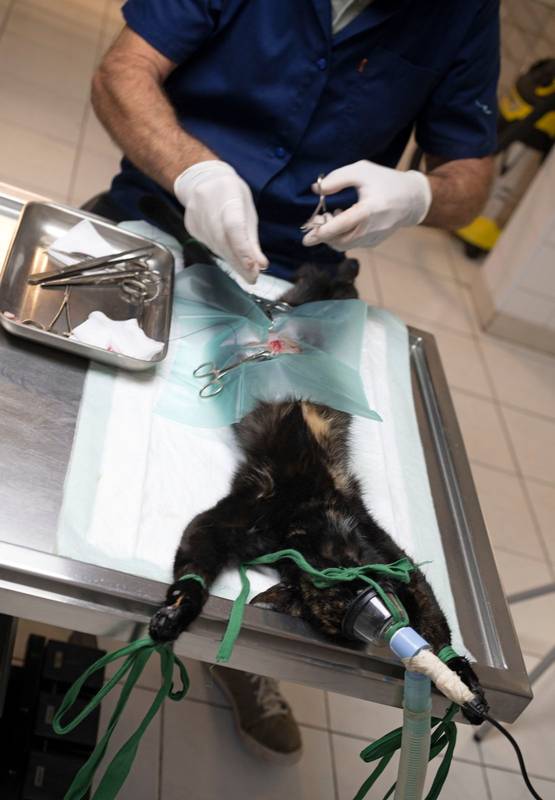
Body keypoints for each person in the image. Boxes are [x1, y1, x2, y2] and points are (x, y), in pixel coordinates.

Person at [89, 0, 500, 763]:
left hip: (306, 267)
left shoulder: (461, 11)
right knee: (66, 427)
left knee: (281, 495)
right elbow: (122, 72)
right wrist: (195, 173)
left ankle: (245, 642)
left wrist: (417, 195)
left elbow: (470, 180)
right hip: (164, 214)